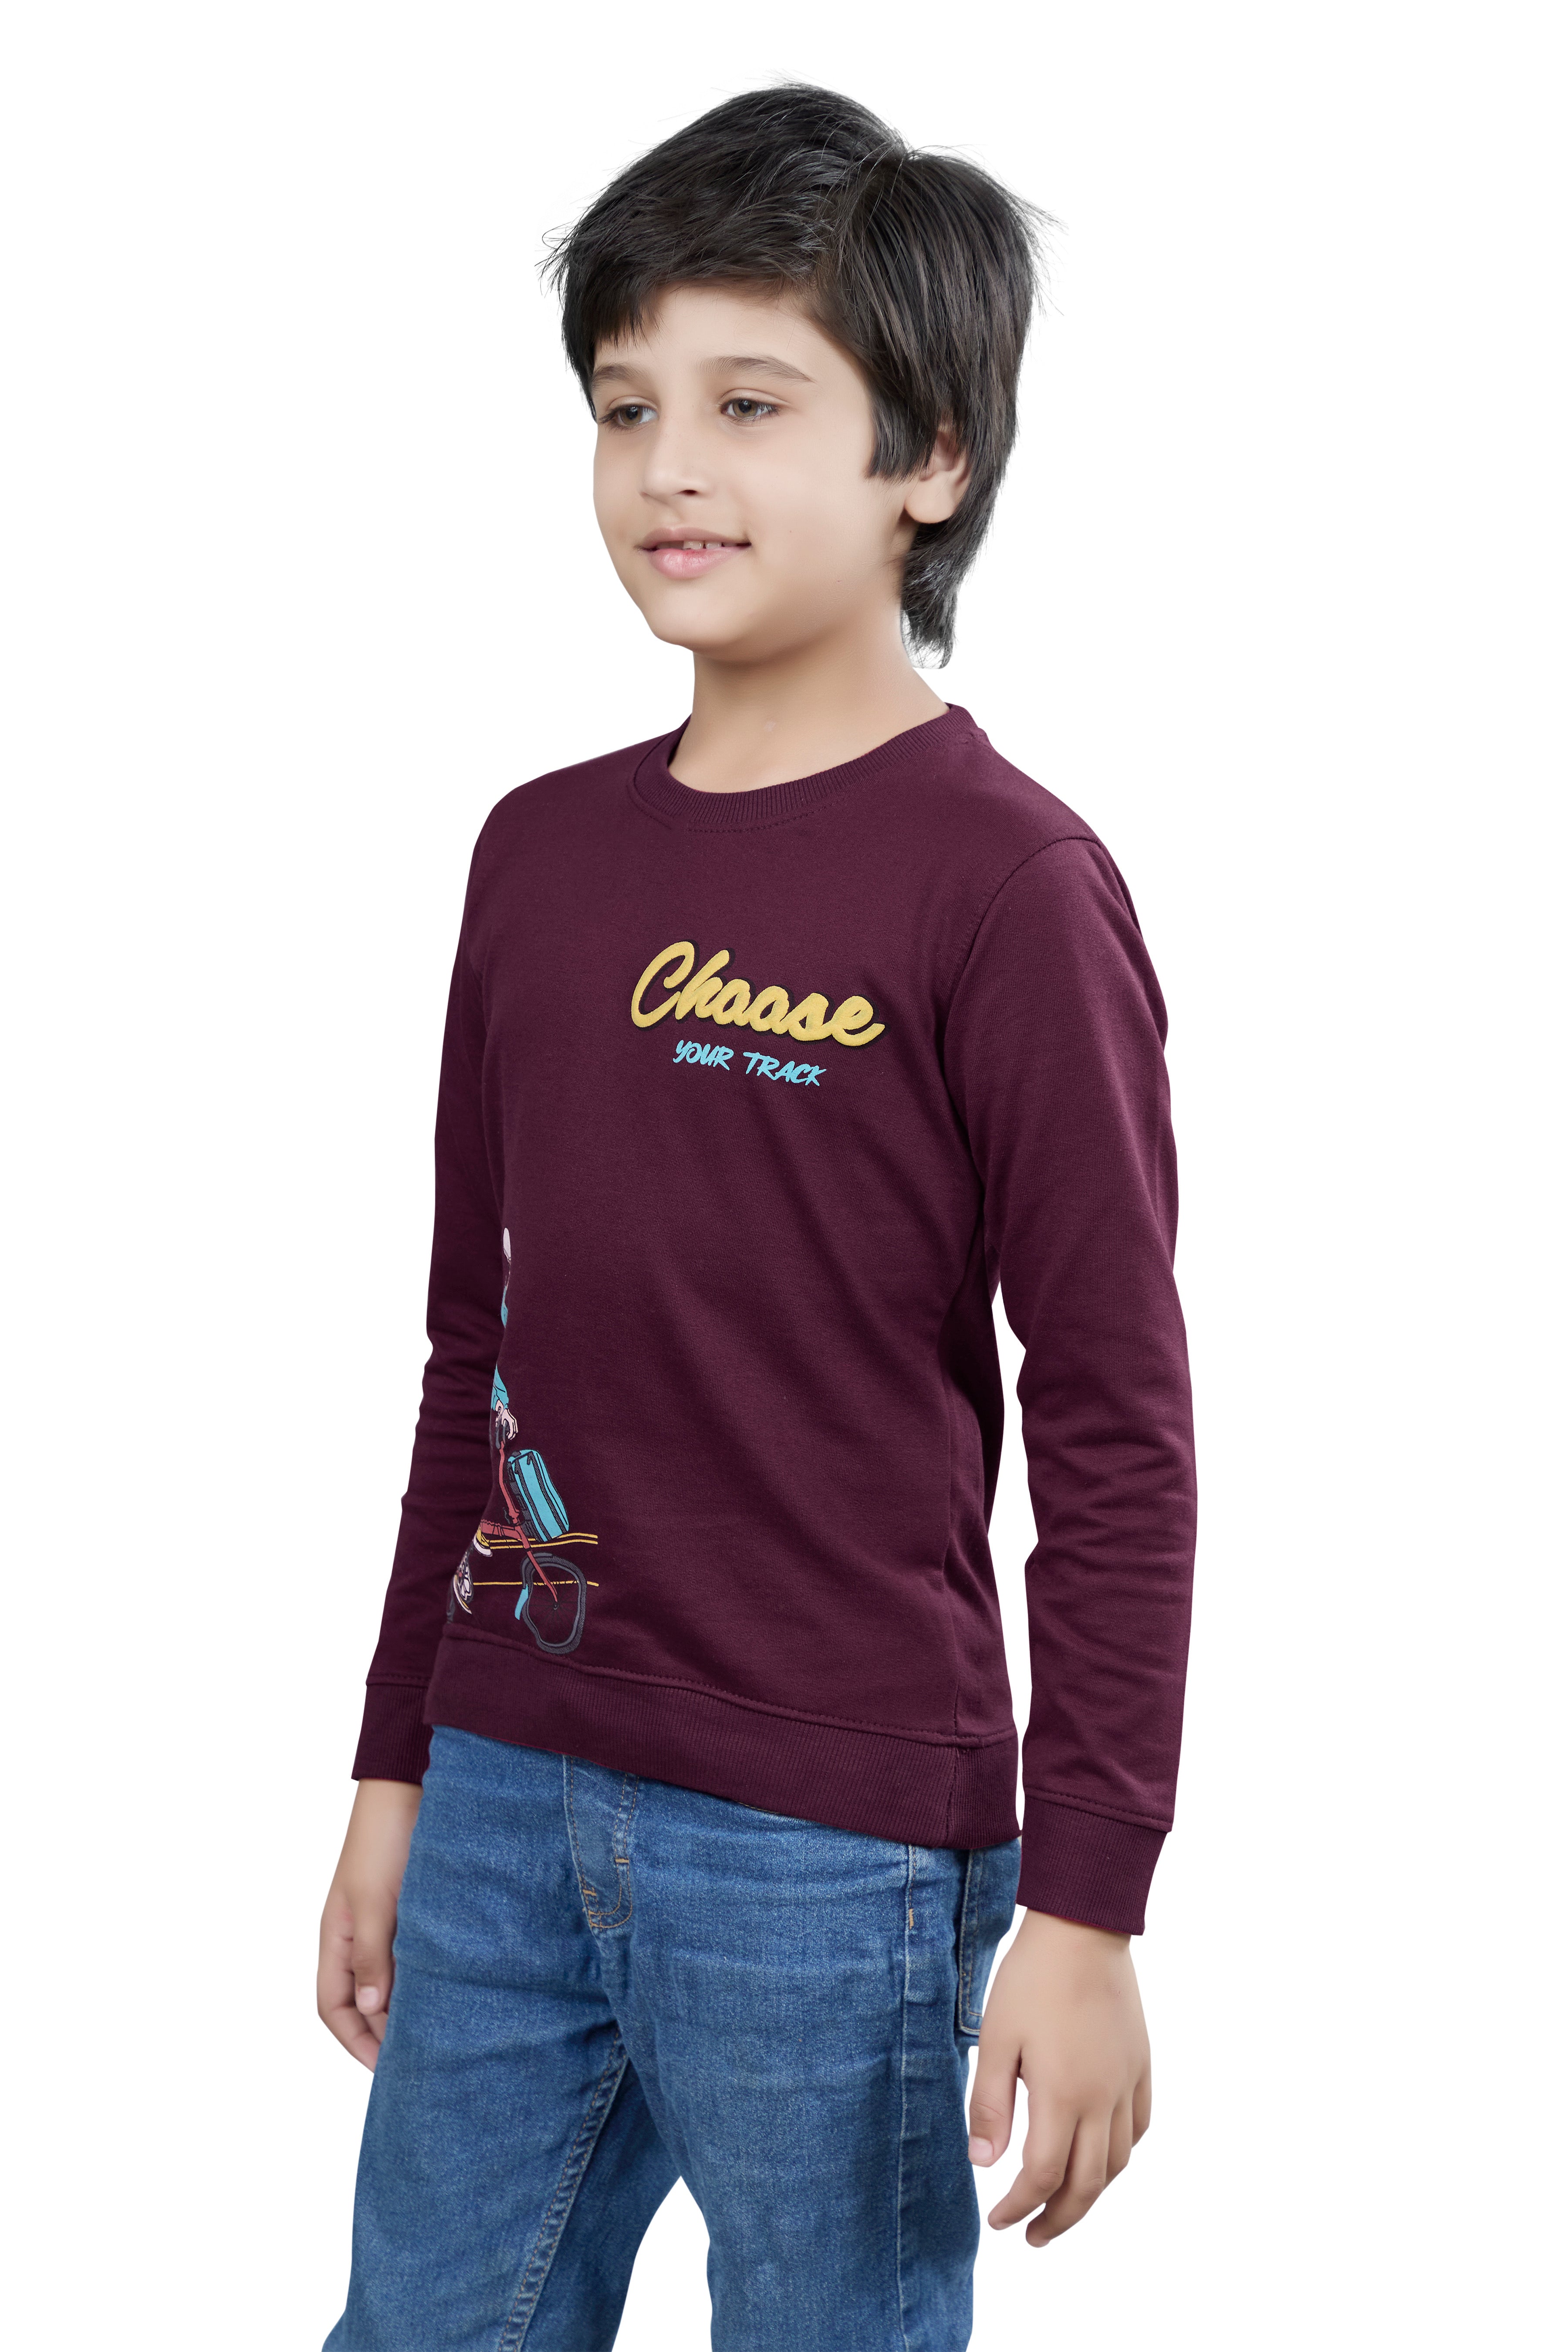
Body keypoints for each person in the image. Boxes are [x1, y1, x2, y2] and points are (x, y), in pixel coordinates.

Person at [318, 80, 1196, 2352]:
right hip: (508, 1785)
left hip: (836, 1847)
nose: (667, 467)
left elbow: (1113, 1419)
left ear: (934, 456)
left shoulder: (1009, 887)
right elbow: (474, 1348)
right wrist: (401, 1758)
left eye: (748, 403)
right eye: (625, 406)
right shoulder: (537, 855)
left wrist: (1090, 1898)